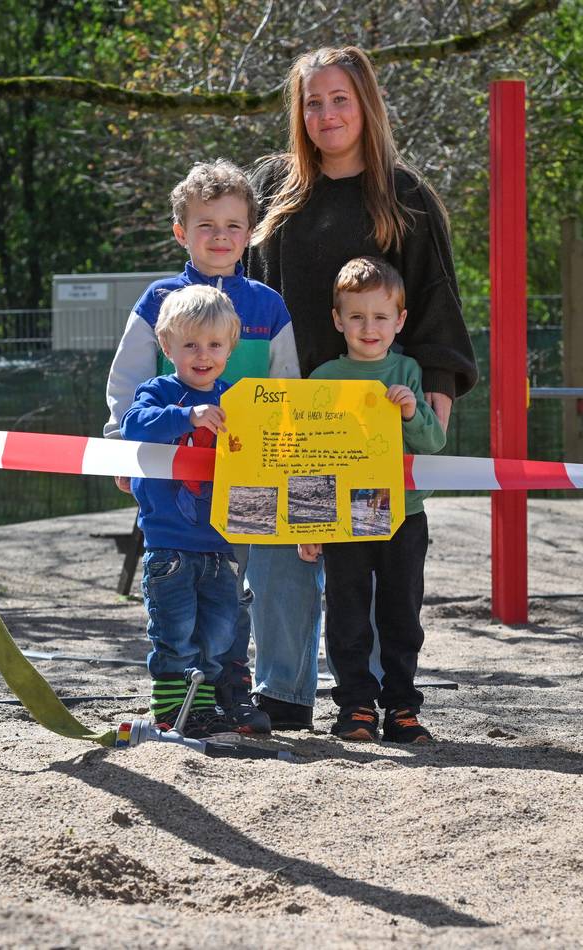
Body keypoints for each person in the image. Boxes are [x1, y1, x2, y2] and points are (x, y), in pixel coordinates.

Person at [244, 45, 477, 730]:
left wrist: (434, 403)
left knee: (367, 569)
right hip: (285, 410)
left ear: (365, 104)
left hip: (372, 422)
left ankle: (369, 704)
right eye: (312, 102)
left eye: (339, 98)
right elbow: (235, 292)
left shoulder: (405, 197)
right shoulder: (271, 188)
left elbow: (434, 307)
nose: (326, 114)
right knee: (281, 551)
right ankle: (282, 696)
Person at [105, 159, 300, 735]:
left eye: (233, 225)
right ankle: (183, 699)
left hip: (247, 479)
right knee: (179, 593)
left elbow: (286, 386)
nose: (220, 236)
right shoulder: (158, 299)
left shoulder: (268, 305)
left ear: (251, 232)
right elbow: (127, 379)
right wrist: (120, 447)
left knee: (231, 594)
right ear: (181, 232)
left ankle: (230, 692)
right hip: (174, 487)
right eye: (206, 225)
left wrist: (284, 464)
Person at [298, 257, 445, 743]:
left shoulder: (407, 370)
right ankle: (355, 705)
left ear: (400, 321)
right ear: (338, 320)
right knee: (347, 613)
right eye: (357, 316)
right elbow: (307, 457)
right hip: (344, 516)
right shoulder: (322, 378)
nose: (369, 327)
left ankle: (402, 707)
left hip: (404, 513)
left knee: (402, 615)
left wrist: (411, 412)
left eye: (381, 317)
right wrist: (309, 524)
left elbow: (433, 443)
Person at [120, 284, 245, 739]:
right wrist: (188, 416)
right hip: (169, 542)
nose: (203, 355)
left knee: (218, 633)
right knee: (175, 631)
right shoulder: (158, 392)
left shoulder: (237, 400)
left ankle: (202, 706)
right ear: (166, 345)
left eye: (214, 344)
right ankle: (172, 709)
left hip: (220, 543)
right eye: (190, 344)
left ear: (230, 347)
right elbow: (134, 425)